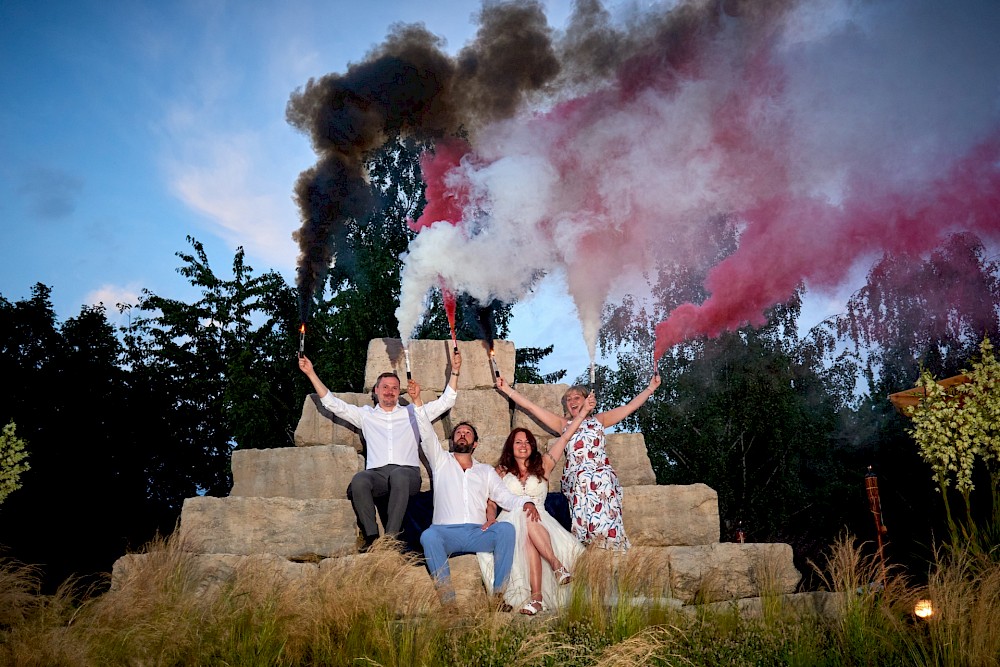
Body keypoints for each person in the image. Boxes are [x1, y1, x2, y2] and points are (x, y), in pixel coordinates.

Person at [297, 348, 462, 551]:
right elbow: (333, 404)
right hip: (378, 475)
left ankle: (390, 539)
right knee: (359, 480)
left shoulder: (414, 412)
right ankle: (372, 537)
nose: (389, 391)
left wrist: (455, 371)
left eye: (394, 388)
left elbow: (447, 401)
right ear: (376, 390)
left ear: (399, 392)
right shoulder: (366, 415)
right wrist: (311, 373)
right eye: (385, 387)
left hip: (407, 474)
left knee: (400, 475)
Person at [496, 373, 661, 551]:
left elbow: (629, 407)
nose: (572, 401)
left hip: (601, 472)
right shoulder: (563, 424)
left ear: (587, 400)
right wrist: (507, 389)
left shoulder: (600, 420)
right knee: (584, 478)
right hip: (578, 475)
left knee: (603, 478)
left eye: (577, 397)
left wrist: (650, 388)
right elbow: (532, 407)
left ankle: (611, 540)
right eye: (568, 399)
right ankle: (585, 537)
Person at [410, 383, 540, 607]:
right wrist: (417, 402)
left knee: (506, 530)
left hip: (477, 532)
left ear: (475, 443)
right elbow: (426, 433)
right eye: (458, 433)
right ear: (452, 441)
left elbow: (505, 497)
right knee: (428, 536)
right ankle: (448, 602)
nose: (462, 435)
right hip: (445, 532)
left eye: (467, 433)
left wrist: (527, 502)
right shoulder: (440, 461)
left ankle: (498, 597)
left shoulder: (486, 471)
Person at [477, 401, 593, 616]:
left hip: (539, 520)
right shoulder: (501, 472)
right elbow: (491, 501)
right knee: (523, 520)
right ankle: (556, 567)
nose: (523, 445)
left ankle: (538, 597)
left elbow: (566, 437)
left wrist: (584, 412)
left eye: (527, 442)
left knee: (529, 524)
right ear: (511, 447)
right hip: (510, 520)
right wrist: (491, 518)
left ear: (532, 446)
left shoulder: (544, 465)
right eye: (518, 442)